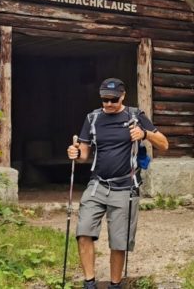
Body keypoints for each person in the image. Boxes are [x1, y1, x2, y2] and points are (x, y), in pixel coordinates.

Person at [67, 78, 169, 289]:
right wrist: (74, 153)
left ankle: (115, 285)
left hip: (125, 188)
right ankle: (89, 283)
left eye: (113, 99)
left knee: (119, 242)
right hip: (97, 185)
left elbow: (164, 144)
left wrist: (145, 134)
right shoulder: (93, 118)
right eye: (105, 99)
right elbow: (83, 155)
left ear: (123, 96)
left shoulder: (135, 116)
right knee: (83, 232)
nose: (109, 104)